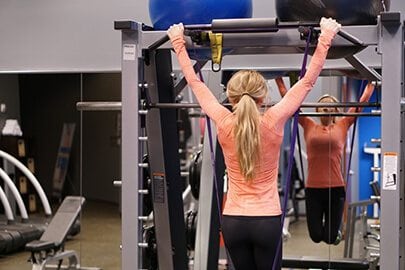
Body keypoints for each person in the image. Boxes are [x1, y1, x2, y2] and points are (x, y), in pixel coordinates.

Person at [167, 17, 341, 270]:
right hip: (266, 220)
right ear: (263, 97)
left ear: (231, 96)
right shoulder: (273, 119)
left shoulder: (223, 120)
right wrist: (326, 37)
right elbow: (307, 82)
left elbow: (195, 82)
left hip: (233, 221)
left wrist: (177, 42)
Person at [275, 77, 375, 245]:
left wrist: (371, 82)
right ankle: (332, 229)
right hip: (313, 190)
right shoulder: (308, 125)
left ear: (336, 109)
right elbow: (289, 103)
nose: (326, 106)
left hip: (336, 190)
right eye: (322, 104)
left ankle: (335, 232)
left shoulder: (343, 125)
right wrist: (279, 80)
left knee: (329, 237)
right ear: (317, 109)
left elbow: (361, 103)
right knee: (315, 236)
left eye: (330, 104)